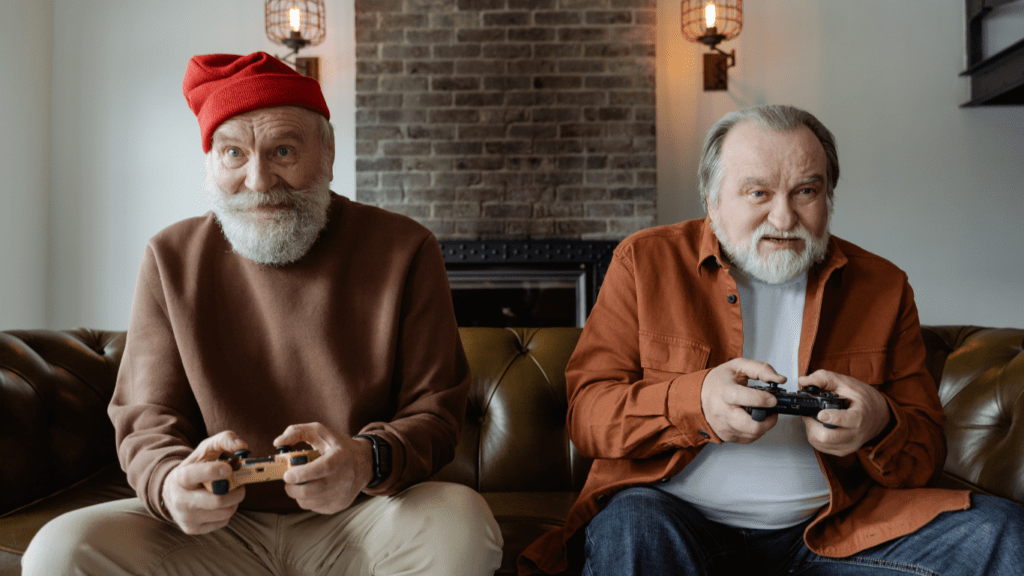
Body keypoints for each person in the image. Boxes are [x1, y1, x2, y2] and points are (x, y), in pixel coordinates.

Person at [22, 52, 503, 575]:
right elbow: (146, 418)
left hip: (363, 518)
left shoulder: (406, 248)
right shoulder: (170, 256)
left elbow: (436, 412)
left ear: (328, 152)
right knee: (60, 550)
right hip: (213, 531)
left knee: (462, 524)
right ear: (211, 162)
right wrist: (168, 484)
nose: (259, 180)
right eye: (234, 153)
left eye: (283, 150)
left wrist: (367, 459)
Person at [518, 104, 1024, 575]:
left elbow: (926, 447)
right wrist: (694, 401)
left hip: (838, 529)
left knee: (1001, 533)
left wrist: (879, 421)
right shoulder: (643, 262)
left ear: (828, 196)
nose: (784, 218)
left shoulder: (883, 286)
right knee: (632, 528)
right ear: (712, 201)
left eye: (806, 191)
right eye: (758, 193)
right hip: (674, 516)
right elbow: (588, 415)